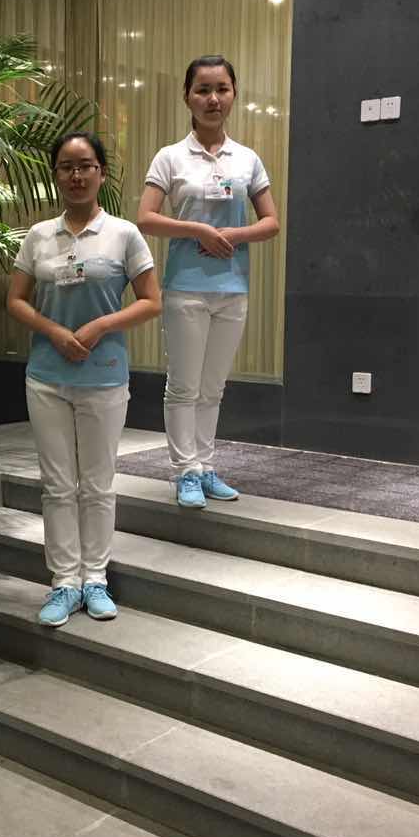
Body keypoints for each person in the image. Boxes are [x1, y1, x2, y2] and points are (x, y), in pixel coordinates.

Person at [6, 131, 161, 627]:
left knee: (96, 484)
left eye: (86, 165)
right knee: (56, 485)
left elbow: (151, 301)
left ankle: (95, 578)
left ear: (101, 172)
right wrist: (52, 330)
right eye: (67, 167)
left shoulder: (123, 234)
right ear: (56, 174)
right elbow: (15, 300)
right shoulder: (38, 235)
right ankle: (63, 582)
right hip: (46, 377)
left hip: (104, 375)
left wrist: (99, 326)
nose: (76, 175)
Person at [137, 55, 279, 508]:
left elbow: (271, 222)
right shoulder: (170, 157)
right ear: (187, 97)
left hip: (233, 287)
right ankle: (185, 472)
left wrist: (234, 235)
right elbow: (146, 218)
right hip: (185, 287)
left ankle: (205, 465)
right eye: (203, 90)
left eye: (221, 89)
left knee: (213, 387)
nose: (213, 98)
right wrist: (197, 230)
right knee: (184, 386)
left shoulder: (247, 159)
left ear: (234, 94)